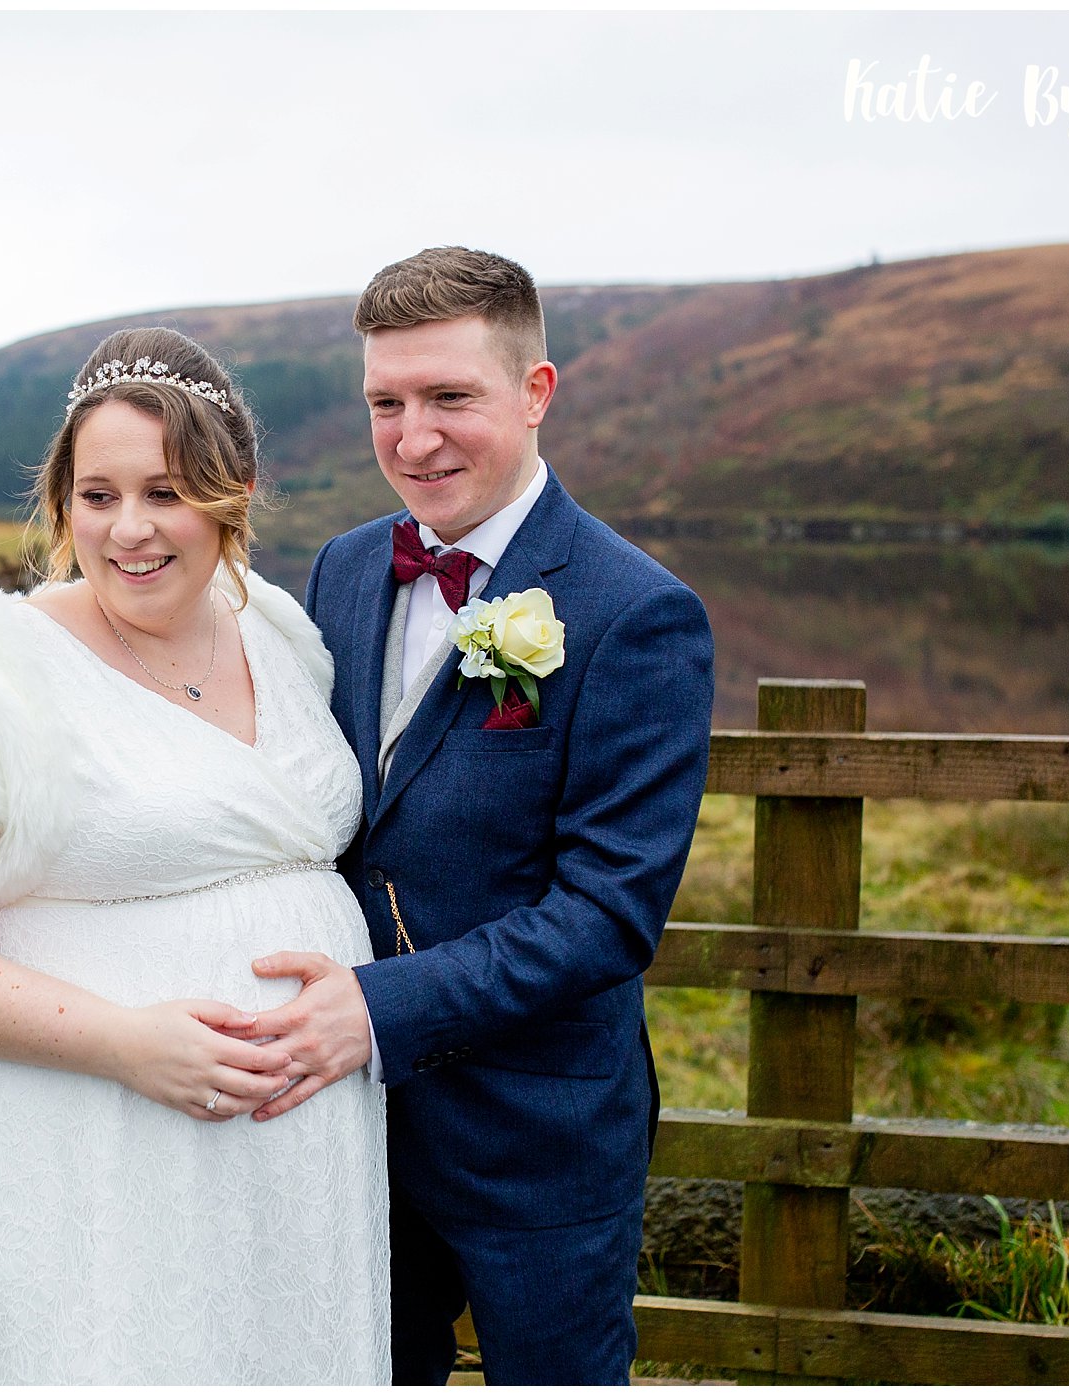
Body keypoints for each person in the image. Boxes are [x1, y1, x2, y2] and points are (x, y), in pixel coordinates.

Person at [0, 325, 389, 1384]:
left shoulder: (279, 632)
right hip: (85, 1146)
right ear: (59, 504)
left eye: (165, 492)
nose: (129, 530)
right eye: (97, 495)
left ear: (233, 492)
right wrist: (125, 1042)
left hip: (296, 1149)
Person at [244, 247, 715, 1384]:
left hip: (535, 1137)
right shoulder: (347, 569)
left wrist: (375, 1006)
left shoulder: (636, 613)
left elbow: (607, 915)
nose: (413, 439)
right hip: (348, 1124)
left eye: (450, 397)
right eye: (385, 403)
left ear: (534, 393)